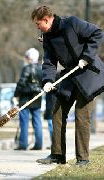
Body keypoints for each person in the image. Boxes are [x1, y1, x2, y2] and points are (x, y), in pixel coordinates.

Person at [31, 5, 104, 166]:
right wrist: (48, 80)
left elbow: (98, 32)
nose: (37, 27)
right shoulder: (47, 37)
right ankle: (57, 154)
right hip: (71, 75)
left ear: (47, 19)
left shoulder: (72, 23)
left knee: (81, 116)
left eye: (38, 24)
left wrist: (86, 56)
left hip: (88, 72)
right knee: (57, 112)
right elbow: (49, 61)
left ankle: (83, 159)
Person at [14, 48, 43, 150]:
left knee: (24, 122)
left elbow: (21, 83)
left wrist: (16, 94)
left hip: (25, 98)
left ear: (29, 58)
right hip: (37, 97)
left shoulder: (26, 68)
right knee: (37, 121)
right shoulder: (41, 68)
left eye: (26, 57)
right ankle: (39, 144)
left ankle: (23, 144)